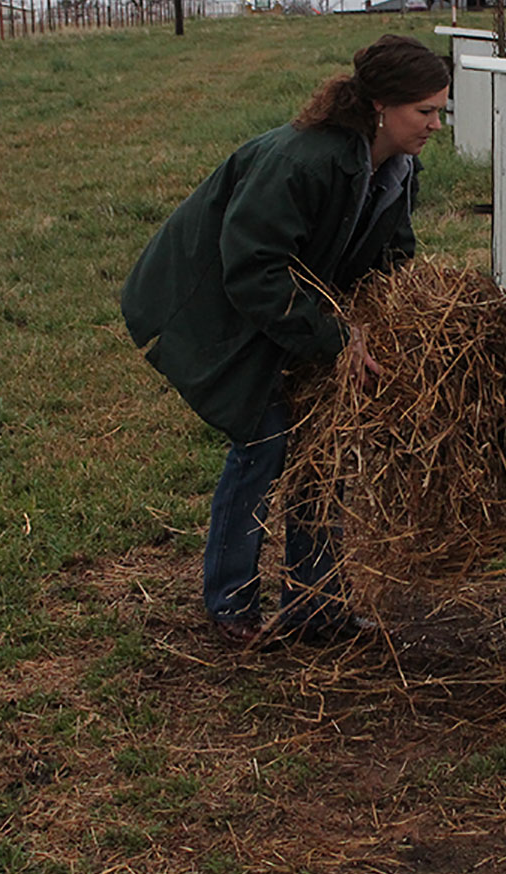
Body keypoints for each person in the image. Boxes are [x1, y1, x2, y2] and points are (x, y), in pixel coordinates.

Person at [120, 34, 451, 646]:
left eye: (440, 111)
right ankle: (230, 604)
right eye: (424, 112)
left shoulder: (398, 168)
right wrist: (334, 337)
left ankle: (315, 606)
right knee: (264, 440)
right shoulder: (303, 160)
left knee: (323, 450)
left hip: (300, 309)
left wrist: (385, 317)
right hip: (216, 303)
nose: (436, 124)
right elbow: (252, 268)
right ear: (380, 104)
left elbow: (392, 253)